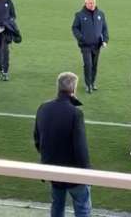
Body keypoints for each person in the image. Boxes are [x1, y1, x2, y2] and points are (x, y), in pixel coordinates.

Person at [33, 72, 91, 217]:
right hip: (73, 172)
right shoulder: (75, 113)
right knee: (82, 206)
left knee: (57, 205)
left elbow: (37, 139)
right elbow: (80, 147)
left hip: (53, 169)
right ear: (74, 89)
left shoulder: (43, 108)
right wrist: (87, 172)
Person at [71, 0, 109, 94]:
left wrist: (105, 40)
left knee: (94, 65)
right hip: (85, 46)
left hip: (97, 45)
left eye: (93, 2)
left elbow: (104, 28)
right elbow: (74, 28)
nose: (92, 4)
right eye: (89, 3)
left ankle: (92, 83)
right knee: (88, 64)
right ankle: (88, 85)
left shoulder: (100, 14)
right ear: (85, 3)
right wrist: (81, 38)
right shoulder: (79, 15)